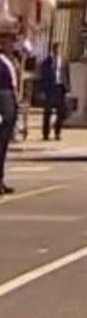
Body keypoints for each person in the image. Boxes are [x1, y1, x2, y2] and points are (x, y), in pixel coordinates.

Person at [39, 42, 71, 141]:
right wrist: (42, 90)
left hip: (60, 87)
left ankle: (57, 132)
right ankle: (46, 133)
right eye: (56, 49)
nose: (58, 51)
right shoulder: (47, 62)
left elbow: (67, 75)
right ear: (53, 50)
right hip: (50, 88)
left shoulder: (64, 61)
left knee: (61, 111)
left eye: (59, 49)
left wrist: (68, 88)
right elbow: (43, 76)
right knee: (47, 112)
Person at [0, 29, 18, 194]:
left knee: (3, 147)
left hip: (9, 103)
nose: (12, 45)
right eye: (9, 42)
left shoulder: (9, 61)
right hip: (2, 105)